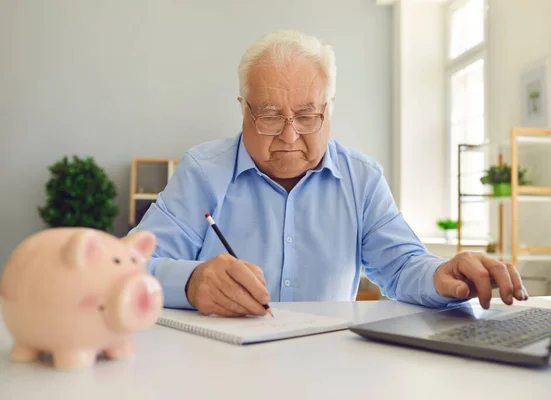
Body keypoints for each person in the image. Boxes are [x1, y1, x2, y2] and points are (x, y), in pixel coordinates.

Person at [130, 30, 528, 317]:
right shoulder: (202, 171)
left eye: (306, 115)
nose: (289, 135)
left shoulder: (362, 178)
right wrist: (190, 281)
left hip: (328, 369)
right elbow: (128, 266)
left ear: (330, 108)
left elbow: (403, 265)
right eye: (269, 115)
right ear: (243, 108)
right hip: (214, 367)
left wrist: (443, 275)